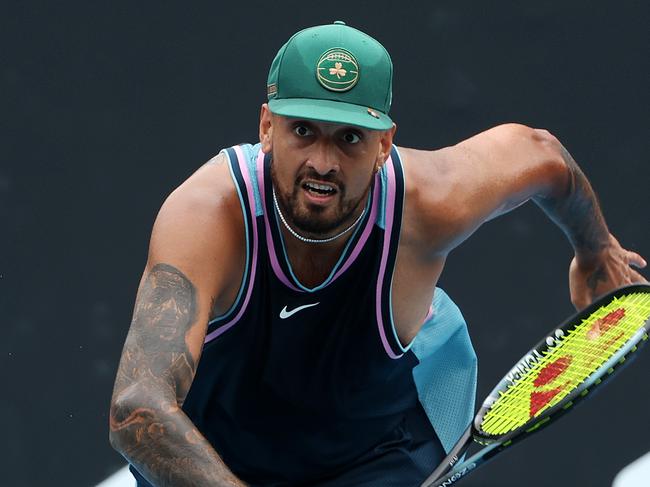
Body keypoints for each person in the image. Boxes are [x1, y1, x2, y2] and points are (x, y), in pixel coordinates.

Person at [108, 21, 647, 487]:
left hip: (380, 451)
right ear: (267, 127)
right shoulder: (207, 217)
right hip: (218, 454)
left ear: (385, 143)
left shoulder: (431, 202)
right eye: (303, 131)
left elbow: (543, 156)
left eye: (349, 139)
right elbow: (137, 407)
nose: (323, 162)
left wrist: (595, 250)